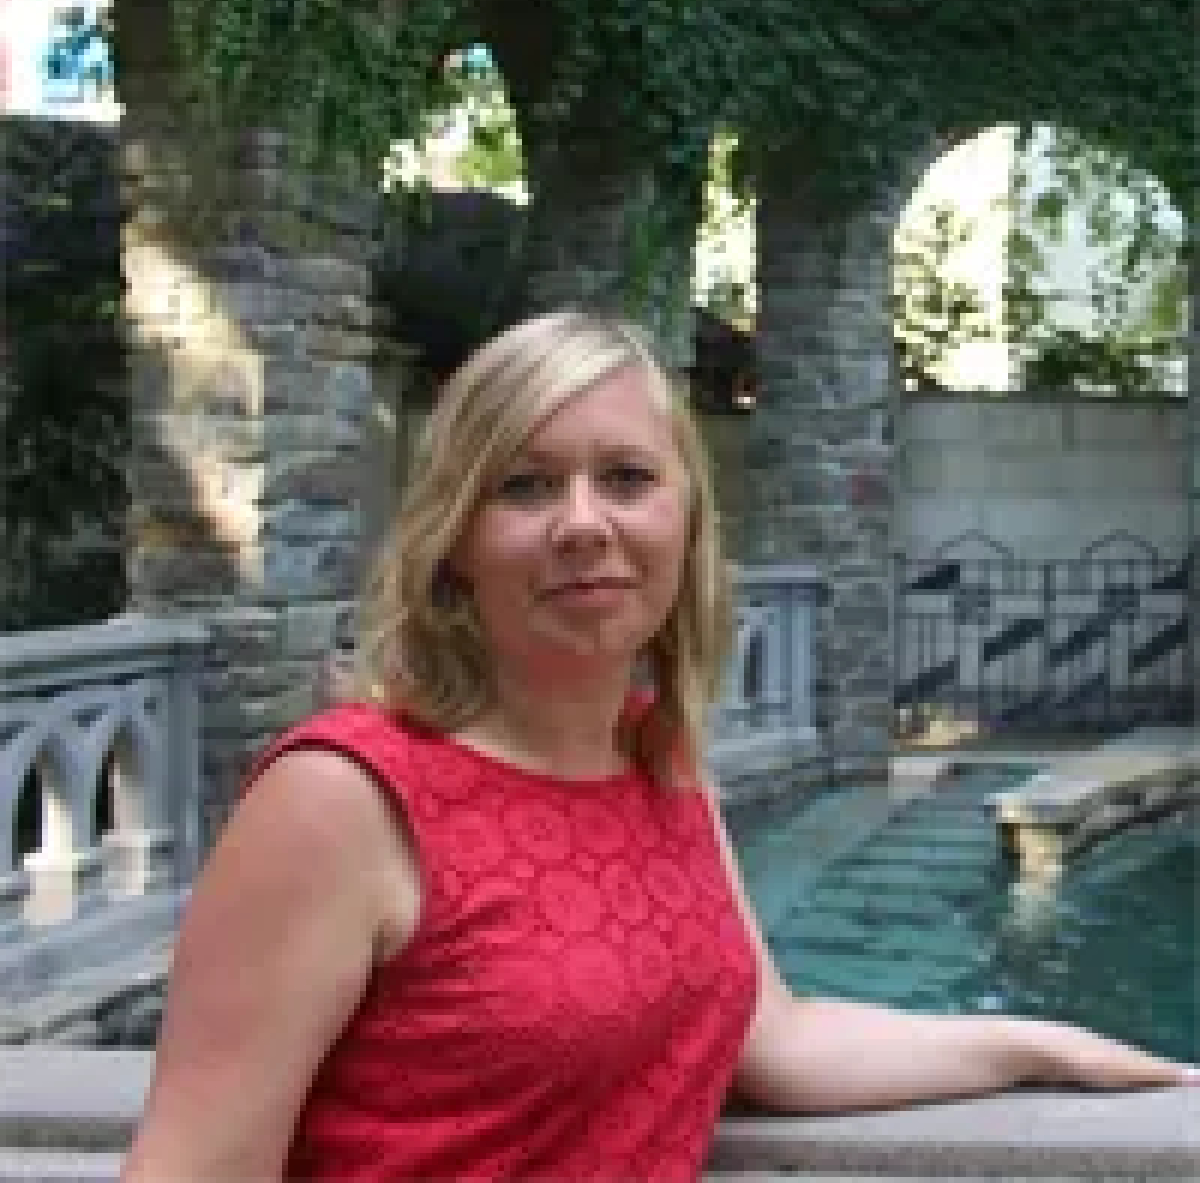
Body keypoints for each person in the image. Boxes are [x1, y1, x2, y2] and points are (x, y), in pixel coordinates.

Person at [121, 310, 1197, 1183]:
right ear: (455, 541)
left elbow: (775, 1041)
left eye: (627, 479)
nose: (583, 523)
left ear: (685, 525)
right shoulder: (341, 800)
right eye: (525, 486)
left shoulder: (659, 765)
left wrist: (1037, 1045)